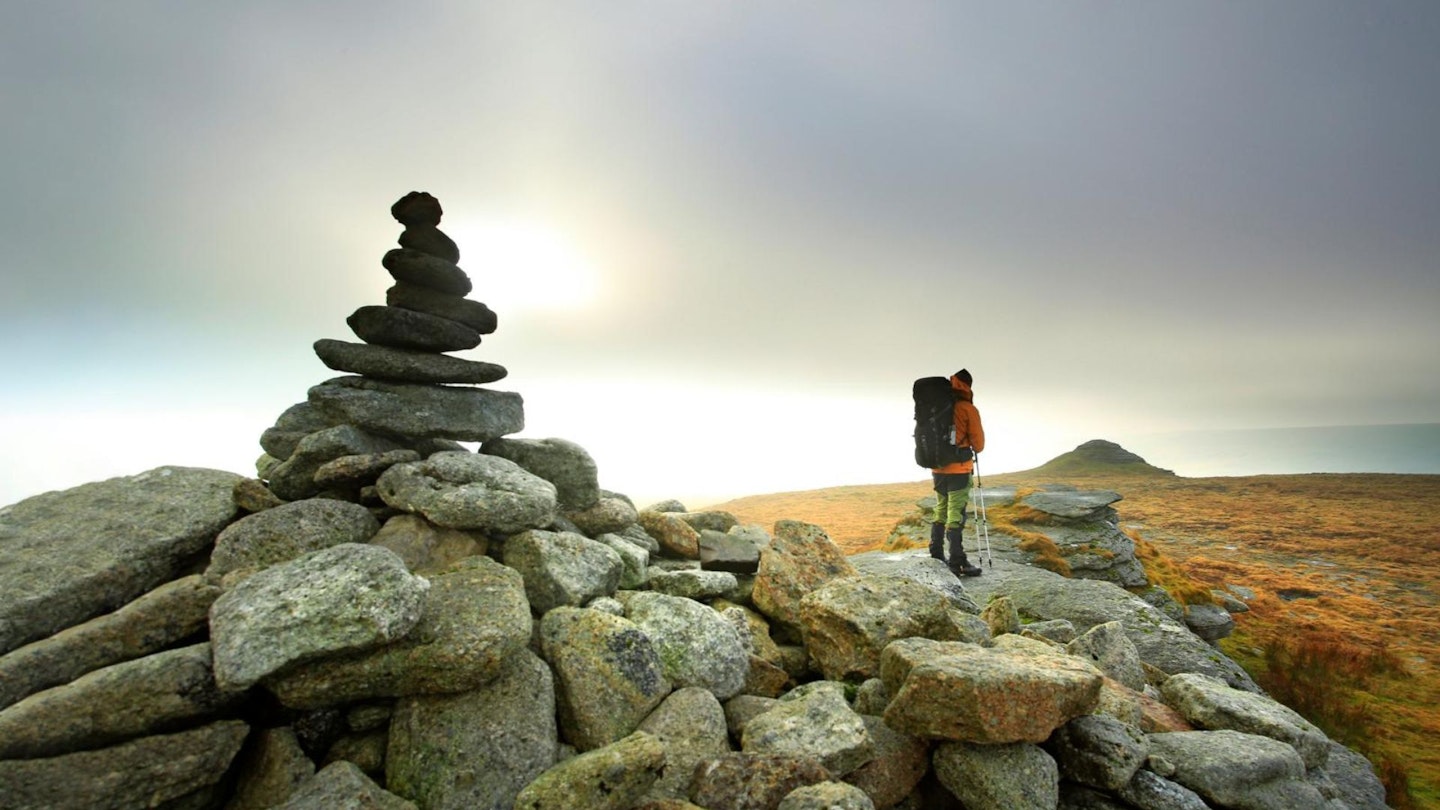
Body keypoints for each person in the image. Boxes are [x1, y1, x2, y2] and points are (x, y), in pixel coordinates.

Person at [929, 368, 985, 576]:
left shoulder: (937, 406)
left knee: (941, 507)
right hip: (959, 469)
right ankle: (957, 561)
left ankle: (936, 554)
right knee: (956, 513)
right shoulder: (967, 409)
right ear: (968, 387)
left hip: (937, 468)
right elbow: (978, 445)